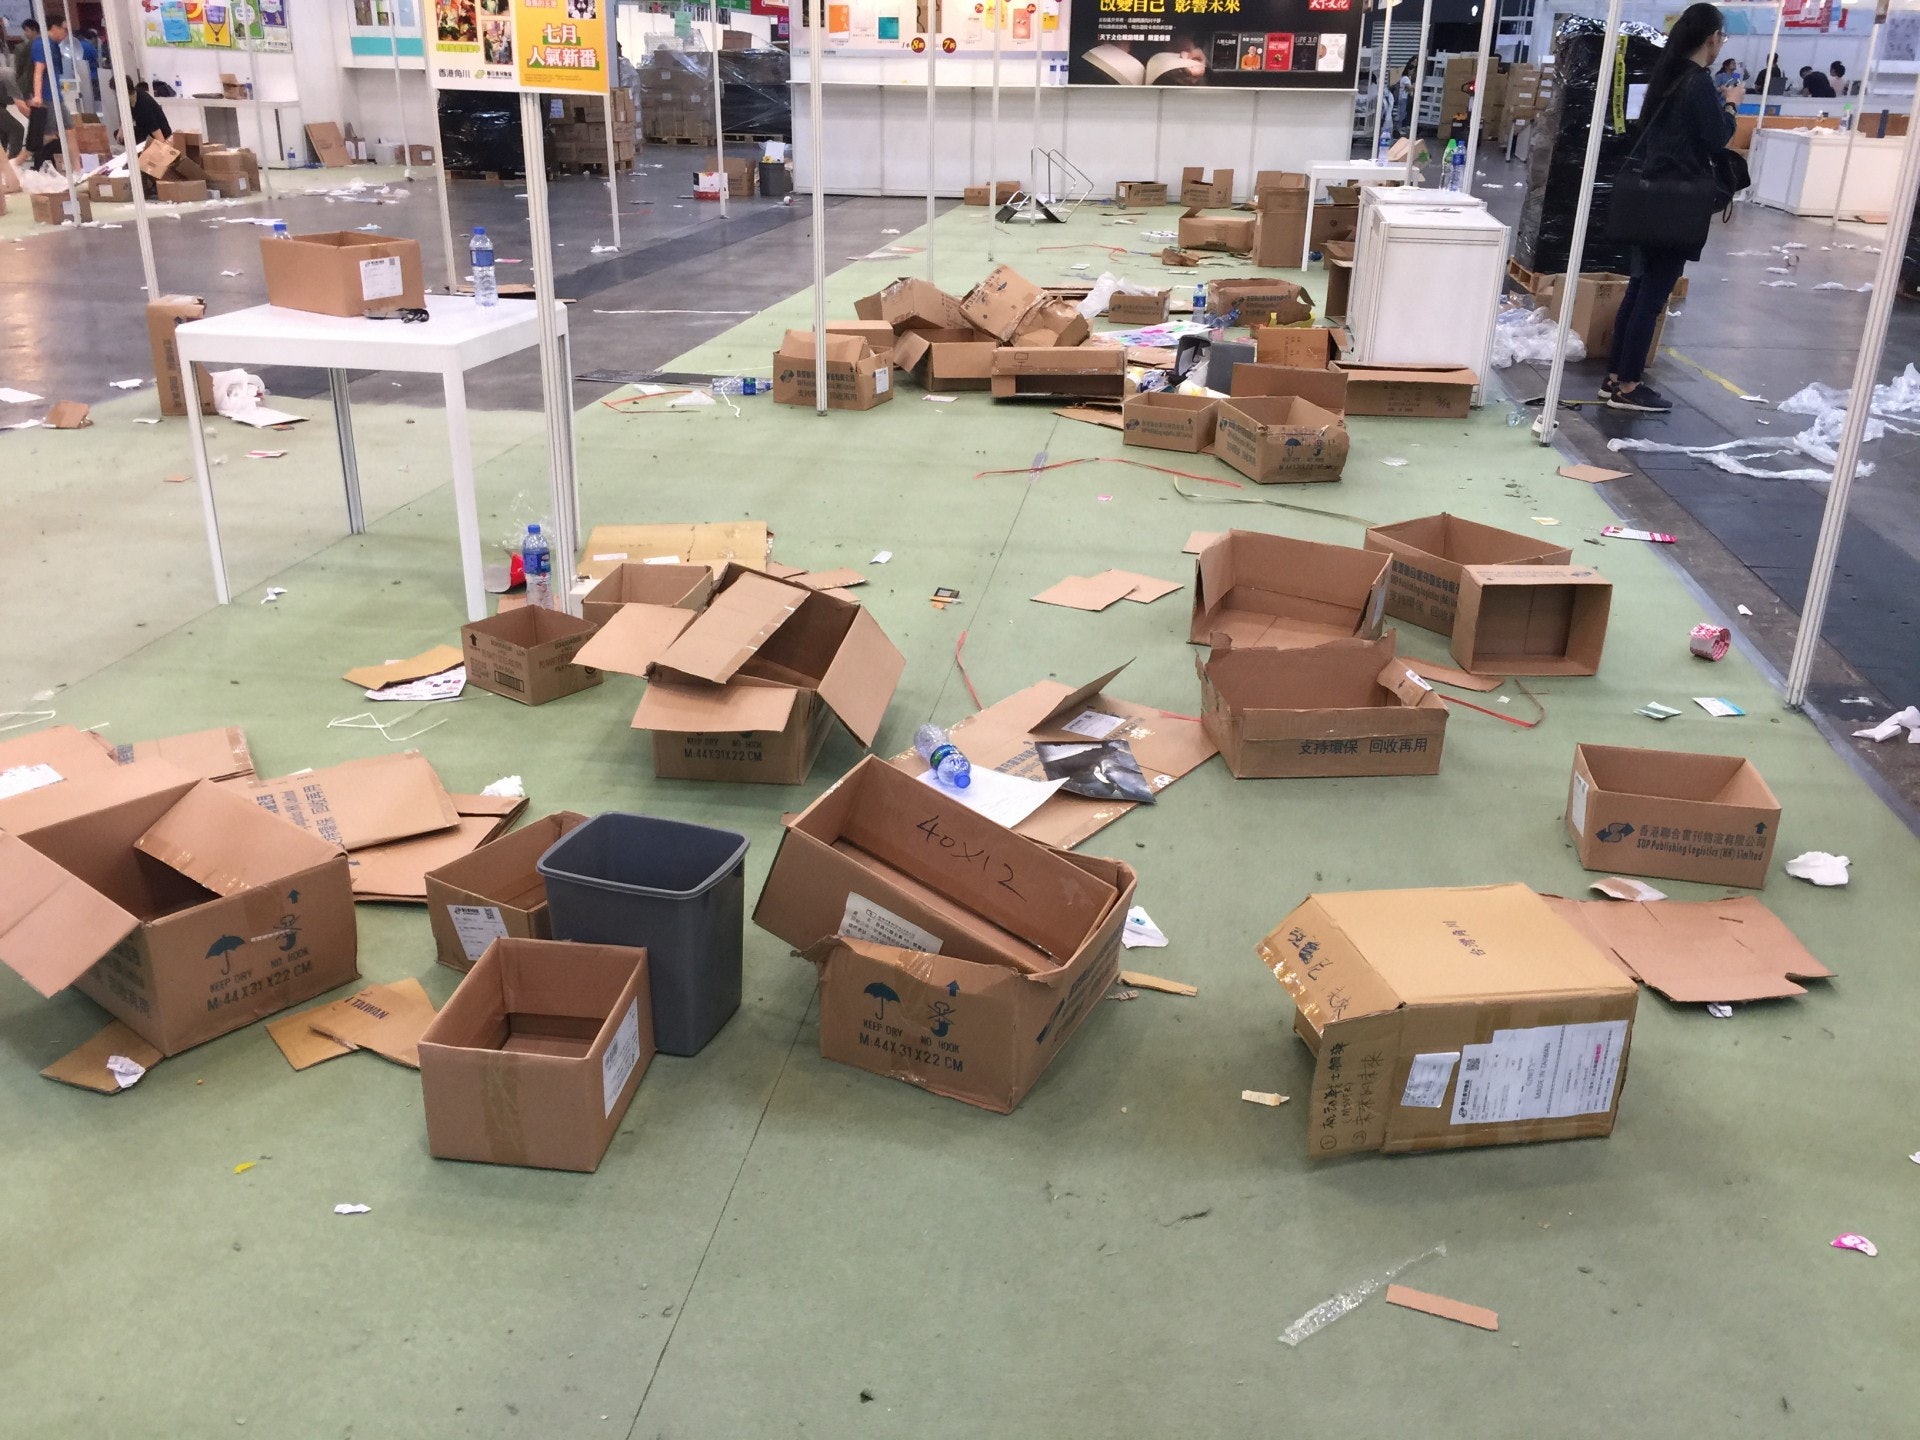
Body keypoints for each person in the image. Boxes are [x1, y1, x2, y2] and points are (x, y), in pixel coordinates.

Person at [1603, 2, 1739, 414]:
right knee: (1652, 295)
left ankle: (1615, 377)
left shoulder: (1668, 75)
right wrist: (1731, 105)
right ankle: (1629, 386)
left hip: (1649, 197)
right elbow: (1716, 137)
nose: (1722, 44)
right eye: (1722, 37)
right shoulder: (1697, 83)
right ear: (1712, 38)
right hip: (1675, 203)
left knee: (1639, 288)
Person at [23, 13, 67, 171]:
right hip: (47, 96)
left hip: (54, 96)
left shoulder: (52, 45)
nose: (66, 33)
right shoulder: (42, 44)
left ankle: (76, 168)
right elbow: (38, 71)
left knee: (67, 130)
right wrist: (37, 95)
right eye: (64, 29)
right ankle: (19, 161)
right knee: (49, 134)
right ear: (54, 27)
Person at [127, 76, 169, 146]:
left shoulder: (144, 103)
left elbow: (155, 129)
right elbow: (127, 115)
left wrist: (162, 148)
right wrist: (121, 130)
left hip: (160, 133)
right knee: (119, 133)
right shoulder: (132, 97)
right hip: (146, 130)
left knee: (130, 135)